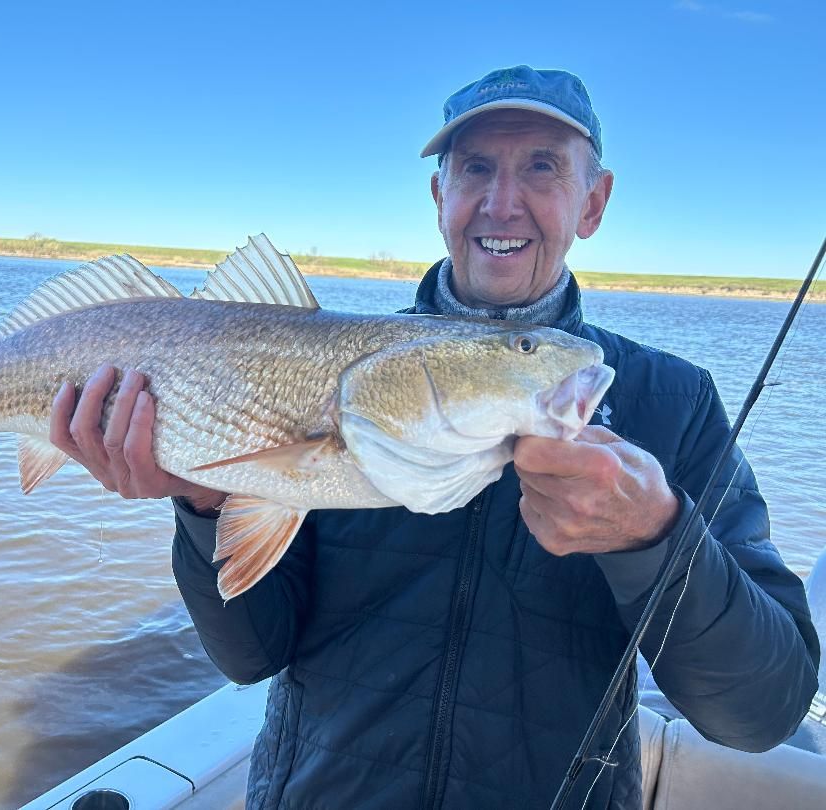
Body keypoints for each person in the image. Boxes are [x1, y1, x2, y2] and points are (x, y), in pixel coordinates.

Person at [48, 66, 820, 809]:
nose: (502, 203)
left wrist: (656, 539)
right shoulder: (335, 370)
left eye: (543, 167)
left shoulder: (674, 399)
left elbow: (763, 713)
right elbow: (253, 655)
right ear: (439, 196)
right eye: (475, 167)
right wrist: (204, 501)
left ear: (593, 202)